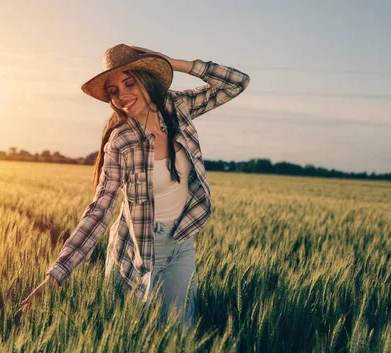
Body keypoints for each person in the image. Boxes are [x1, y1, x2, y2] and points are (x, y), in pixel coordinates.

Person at [21, 43, 250, 326]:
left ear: (146, 79)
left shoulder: (177, 108)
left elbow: (237, 82)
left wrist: (174, 63)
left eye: (129, 83)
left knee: (181, 336)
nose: (122, 96)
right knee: (131, 334)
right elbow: (99, 211)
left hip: (181, 242)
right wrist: (55, 276)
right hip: (136, 250)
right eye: (114, 91)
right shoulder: (121, 141)